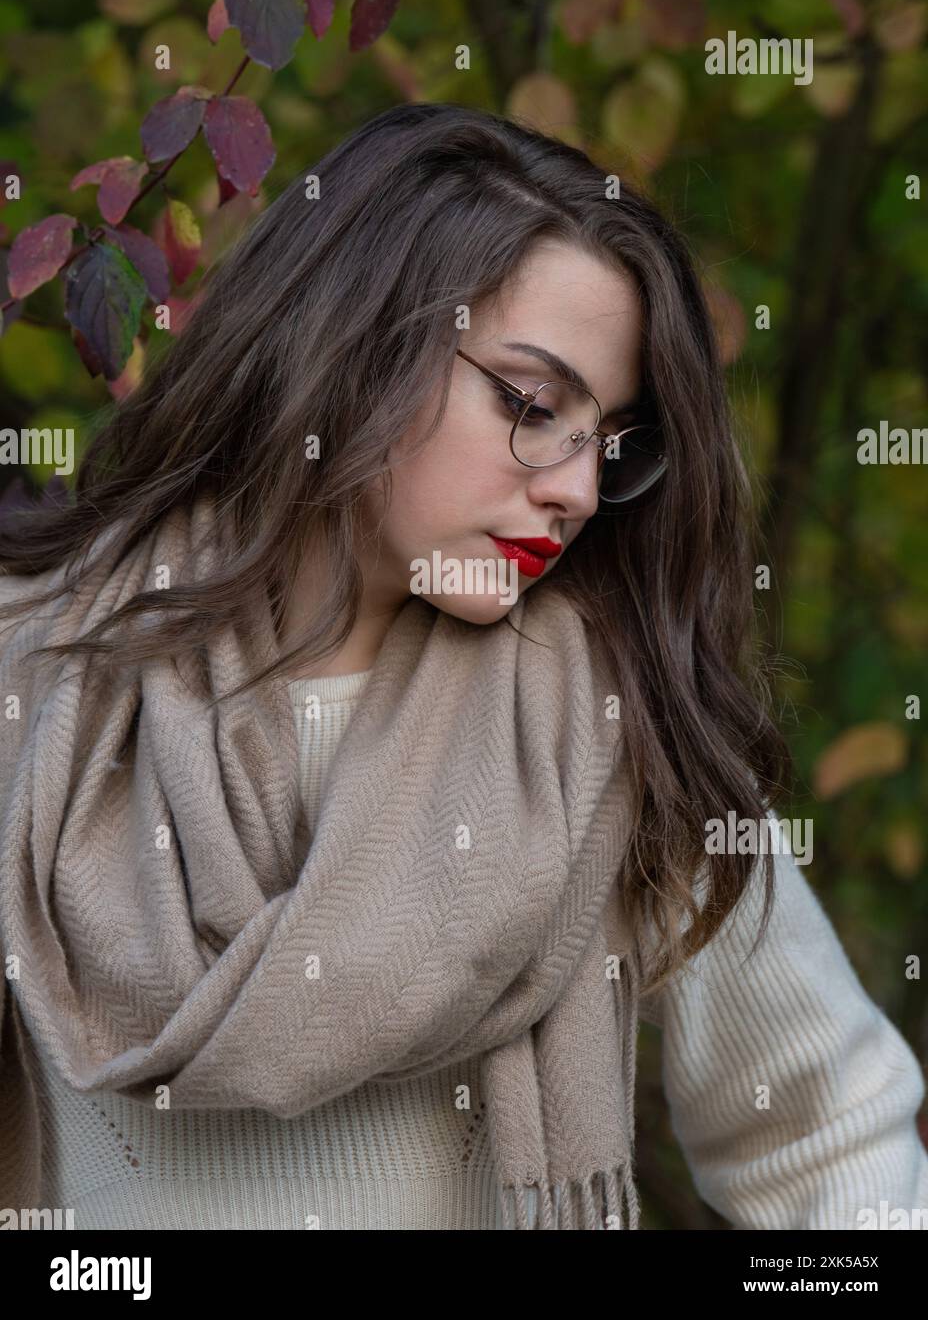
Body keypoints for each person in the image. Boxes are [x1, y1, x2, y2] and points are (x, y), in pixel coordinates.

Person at [0, 102, 925, 1232]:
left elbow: (830, 1137)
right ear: (349, 337)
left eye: (611, 444)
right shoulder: (42, 693)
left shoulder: (610, 734)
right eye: (535, 408)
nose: (577, 491)